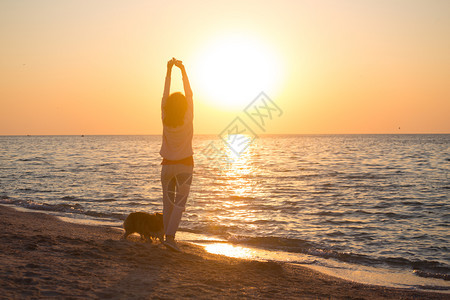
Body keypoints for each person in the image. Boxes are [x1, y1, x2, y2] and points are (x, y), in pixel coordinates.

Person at [159, 58, 194, 251]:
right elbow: (189, 94)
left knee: (167, 204)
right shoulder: (188, 117)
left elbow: (165, 95)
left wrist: (169, 71)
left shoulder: (165, 117)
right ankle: (170, 238)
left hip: (166, 166)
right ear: (184, 107)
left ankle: (167, 236)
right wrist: (183, 70)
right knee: (179, 204)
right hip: (184, 166)